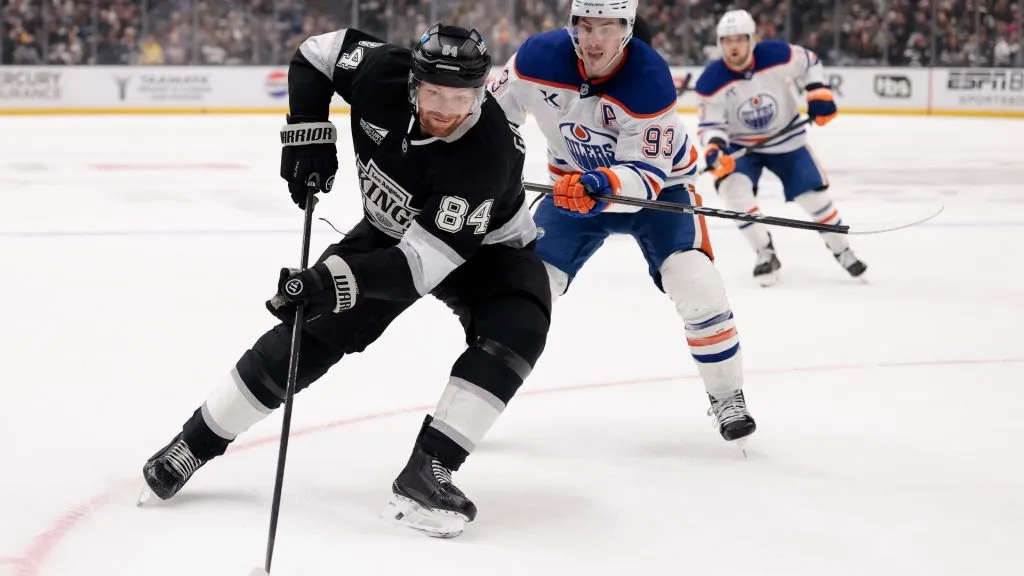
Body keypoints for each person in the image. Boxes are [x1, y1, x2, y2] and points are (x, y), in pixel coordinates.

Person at [139, 23, 551, 539]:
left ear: (481, 92)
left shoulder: (487, 152)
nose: (447, 109)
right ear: (412, 84)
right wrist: (308, 133)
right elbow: (317, 53)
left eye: (462, 97)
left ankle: (430, 469)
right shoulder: (382, 74)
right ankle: (192, 444)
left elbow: (419, 267)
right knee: (305, 336)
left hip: (486, 251)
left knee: (520, 325)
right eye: (435, 93)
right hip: (388, 232)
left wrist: (331, 280)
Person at [488, 0, 756, 444]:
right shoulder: (536, 58)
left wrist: (597, 182)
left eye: (607, 28)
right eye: (586, 26)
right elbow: (492, 118)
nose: (594, 40)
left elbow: (645, 181)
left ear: (627, 29)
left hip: (660, 193)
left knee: (695, 281)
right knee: (523, 291)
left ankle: (727, 396)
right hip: (572, 192)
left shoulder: (649, 80)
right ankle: (479, 395)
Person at [696, 9, 867, 286]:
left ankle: (842, 250)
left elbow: (810, 61)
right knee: (733, 190)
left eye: (739, 39)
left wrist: (817, 90)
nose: (734, 46)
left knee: (814, 199)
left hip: (787, 141)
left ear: (752, 39)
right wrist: (715, 150)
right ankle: (765, 252)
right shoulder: (710, 81)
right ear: (719, 43)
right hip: (743, 146)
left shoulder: (776, 55)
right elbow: (710, 125)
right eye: (727, 41)